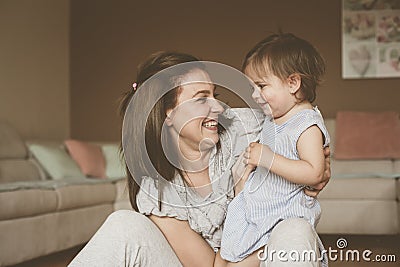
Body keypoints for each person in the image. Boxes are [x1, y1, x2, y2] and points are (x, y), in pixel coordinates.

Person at [69, 51, 331, 267]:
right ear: (168, 113)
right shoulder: (157, 193)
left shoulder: (244, 127)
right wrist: (240, 193)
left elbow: (300, 127)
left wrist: (319, 168)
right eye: (201, 98)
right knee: (123, 224)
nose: (217, 106)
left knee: (294, 230)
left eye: (214, 95)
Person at [220, 33, 329, 266]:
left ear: (293, 83)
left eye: (261, 86)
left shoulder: (306, 123)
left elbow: (314, 173)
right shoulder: (274, 117)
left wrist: (267, 158)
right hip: (261, 212)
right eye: (252, 87)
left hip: (283, 215)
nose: (253, 95)